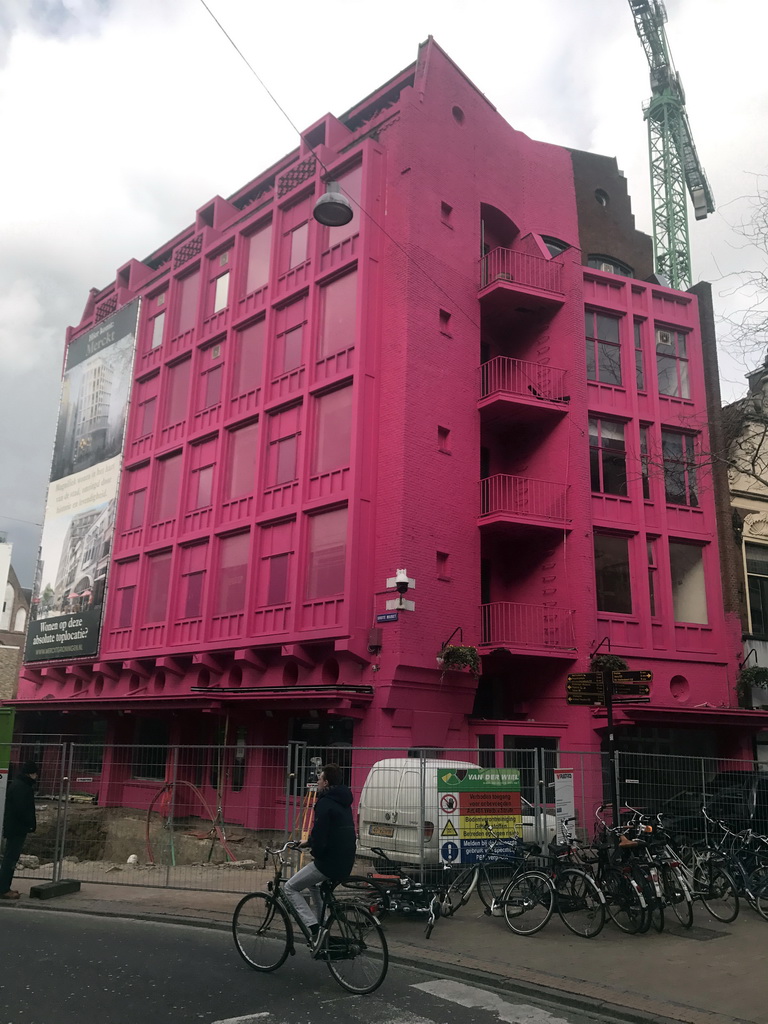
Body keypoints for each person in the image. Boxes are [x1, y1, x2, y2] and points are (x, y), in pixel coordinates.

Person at [283, 763, 356, 951]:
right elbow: (333, 831)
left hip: (330, 862)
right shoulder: (344, 801)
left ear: (326, 781)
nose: (317, 781)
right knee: (313, 885)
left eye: (320, 778)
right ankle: (323, 927)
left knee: (289, 887)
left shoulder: (324, 803)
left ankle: (314, 928)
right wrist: (308, 842)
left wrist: (316, 850)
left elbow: (321, 835)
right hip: (345, 859)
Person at [0, 761, 39, 900]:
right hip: (17, 828)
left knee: (9, 857)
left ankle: (4, 887)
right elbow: (22, 809)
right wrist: (30, 823)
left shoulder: (18, 784)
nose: (36, 776)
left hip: (14, 827)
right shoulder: (23, 787)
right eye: (35, 773)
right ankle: (3, 889)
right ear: (30, 773)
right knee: (10, 858)